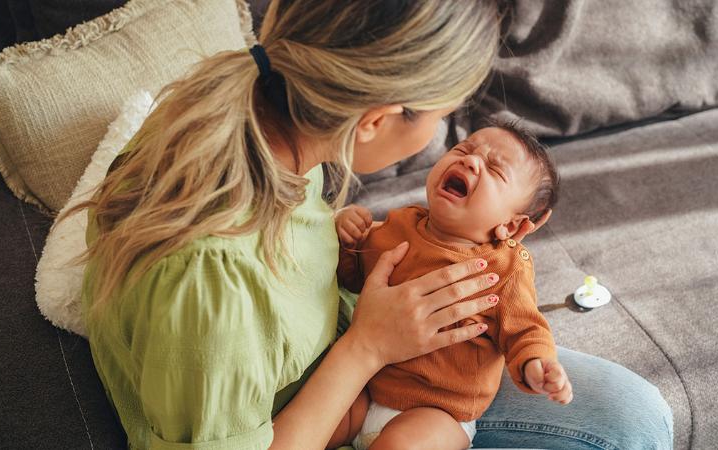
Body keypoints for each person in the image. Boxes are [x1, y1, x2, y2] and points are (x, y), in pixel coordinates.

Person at [62, 1, 673, 449]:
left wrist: (339, 236)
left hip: (386, 364)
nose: (450, 145)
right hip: (319, 402)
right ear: (376, 121)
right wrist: (369, 347)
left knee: (638, 413)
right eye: (447, 121)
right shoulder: (211, 285)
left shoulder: (254, 116)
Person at [332, 124, 571, 450]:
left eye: (495, 169)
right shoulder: (399, 224)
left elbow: (525, 329)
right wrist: (346, 235)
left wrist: (537, 364)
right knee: (323, 422)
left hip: (437, 410)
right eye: (464, 149)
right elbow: (352, 276)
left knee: (401, 445)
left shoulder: (505, 268)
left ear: (511, 225)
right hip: (366, 386)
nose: (471, 162)